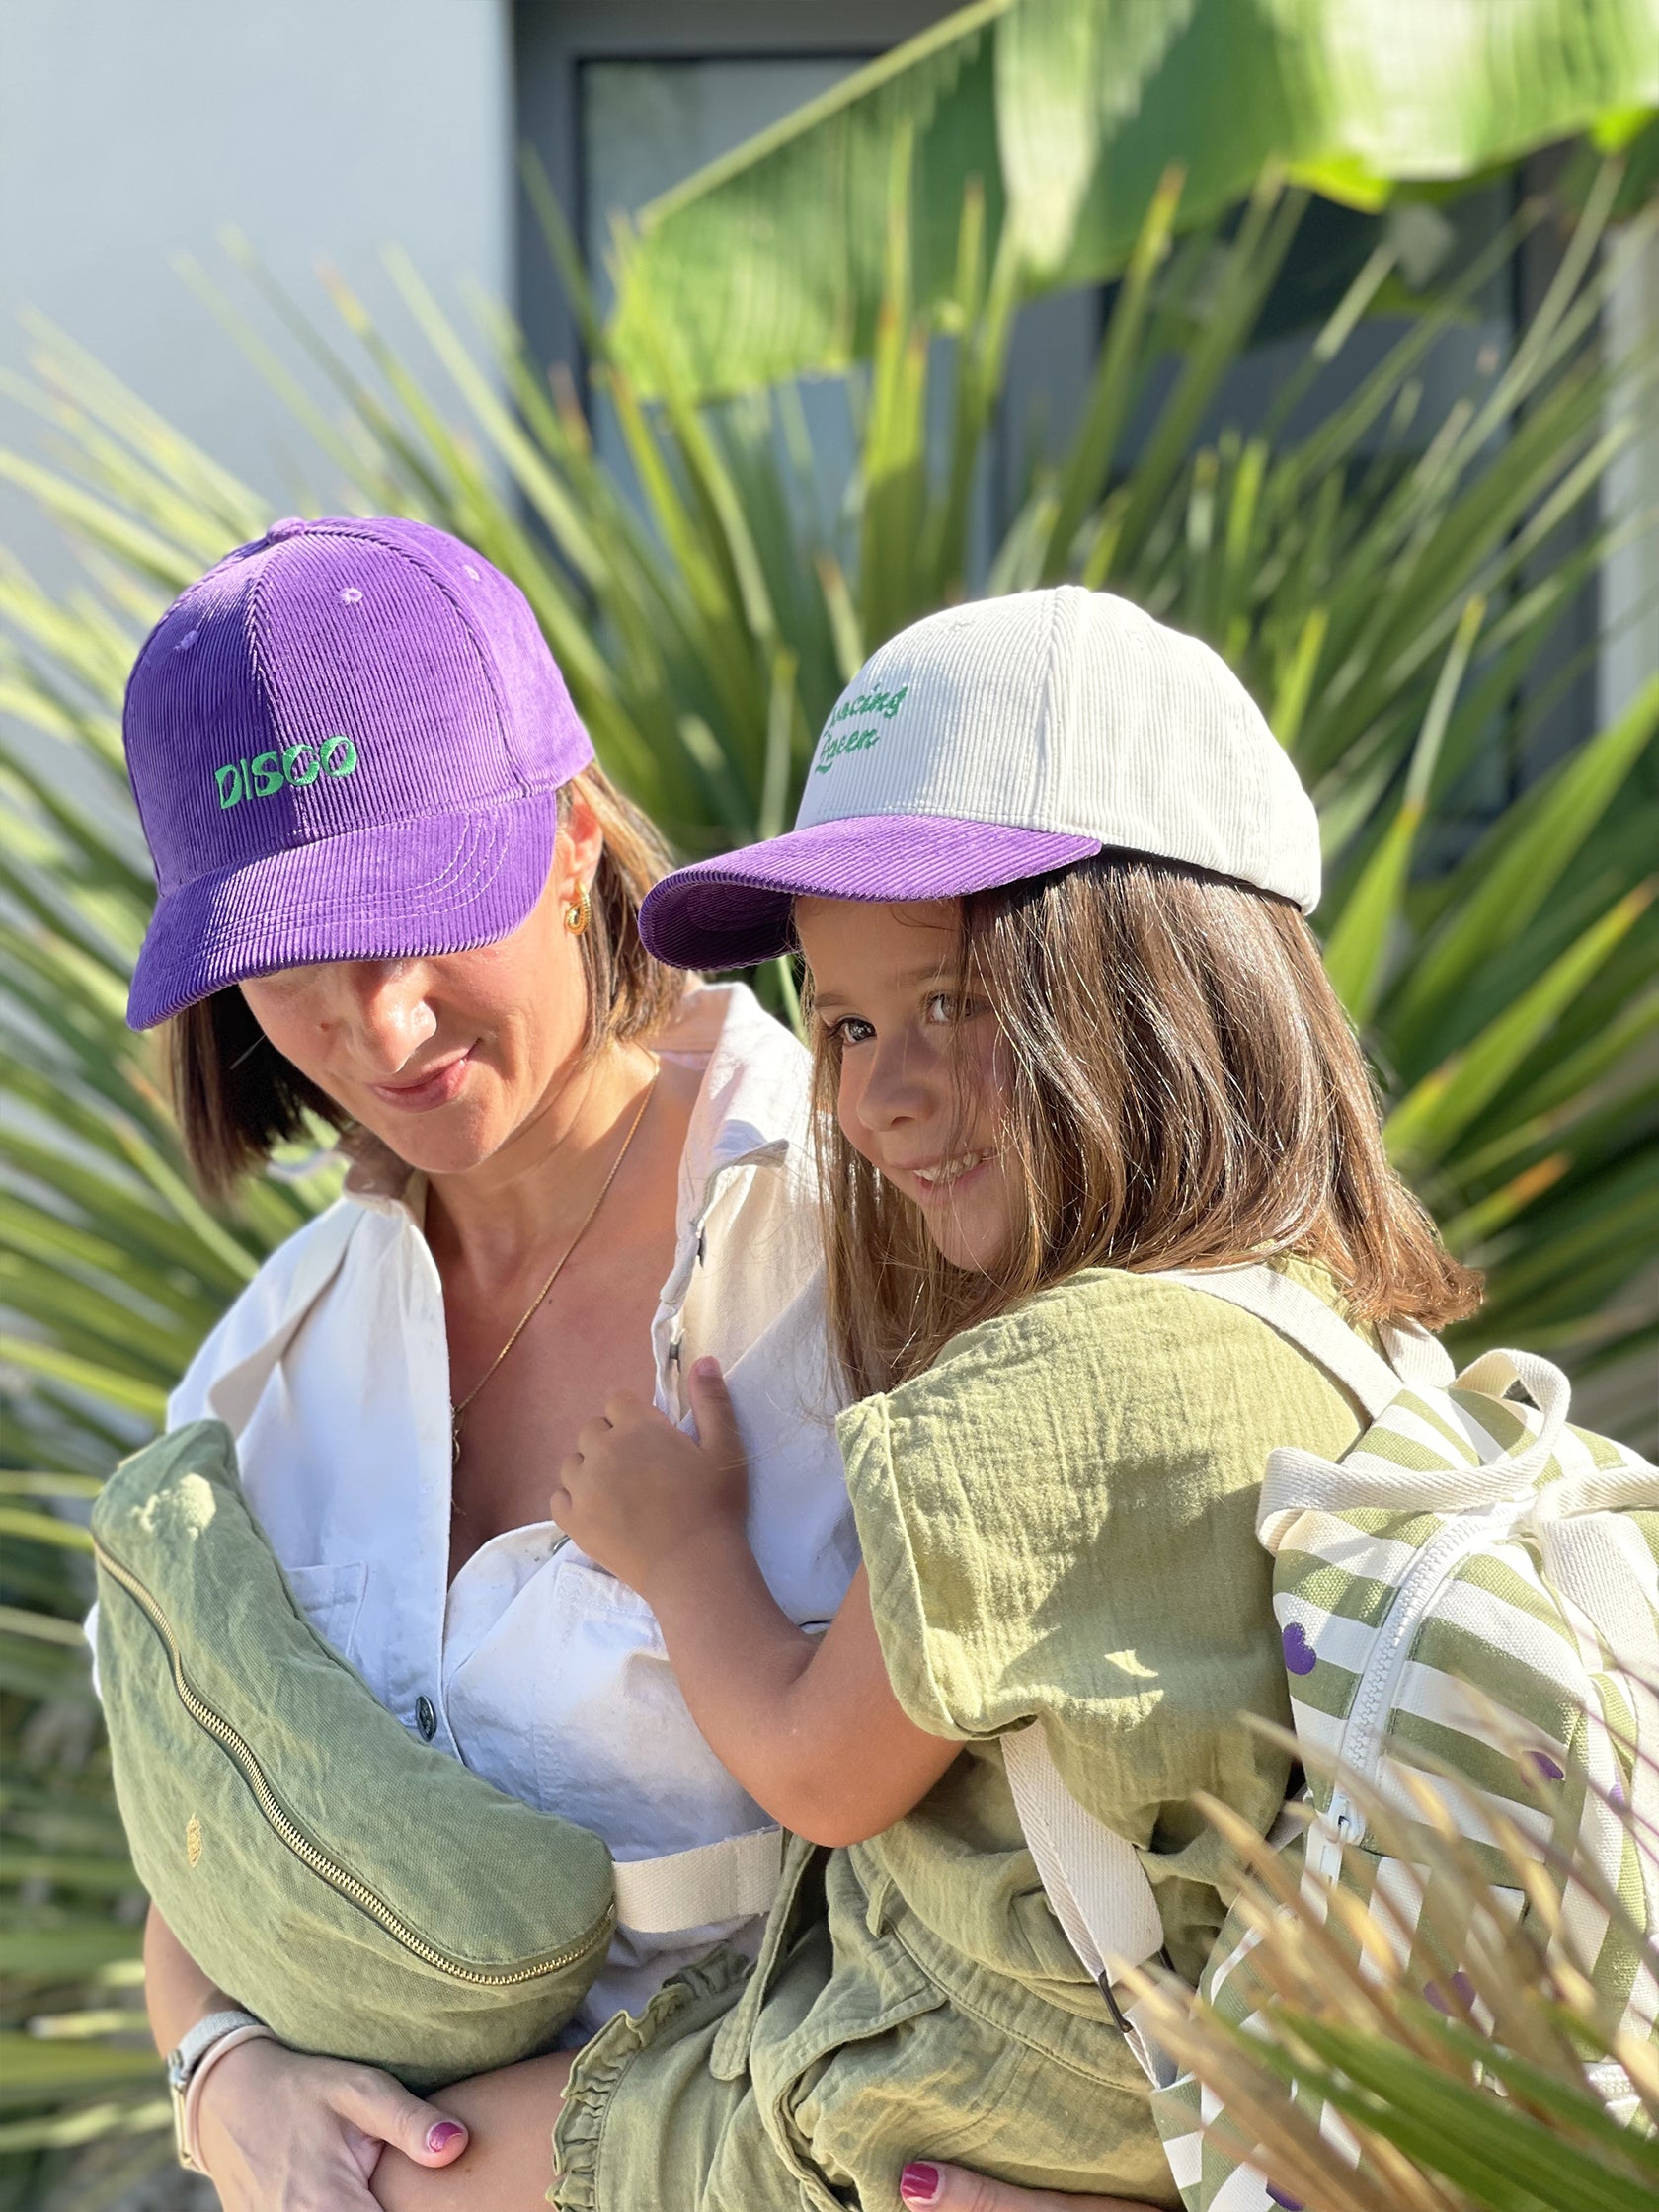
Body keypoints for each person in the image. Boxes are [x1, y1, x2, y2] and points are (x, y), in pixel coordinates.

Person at [378, 588, 1481, 2211]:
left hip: (948, 2103)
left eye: (957, 1004)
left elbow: (818, 1773)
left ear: (1171, 990)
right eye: (843, 1023)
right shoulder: (1325, 1336)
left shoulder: (1053, 1388)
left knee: (412, 2164)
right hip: (1176, 2123)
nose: (880, 1092)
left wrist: (680, 1547)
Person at [112, 519, 1143, 2212]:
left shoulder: (884, 1226)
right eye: (291, 967)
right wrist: (227, 2086)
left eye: (415, 921)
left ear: (575, 837)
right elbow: (208, 1859)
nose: (378, 1028)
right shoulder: (262, 1377)